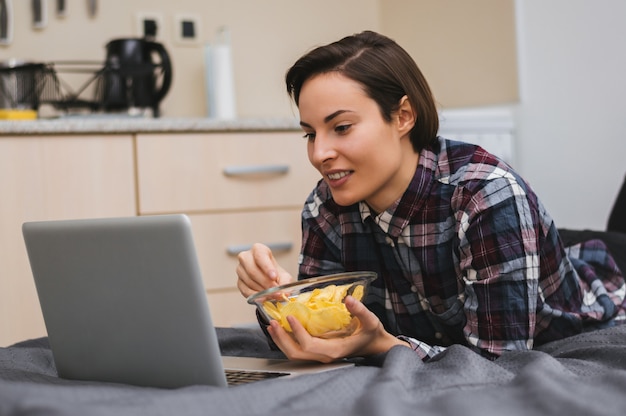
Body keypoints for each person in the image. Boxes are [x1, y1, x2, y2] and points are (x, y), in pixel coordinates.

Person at [236, 30, 626, 362]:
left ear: (403, 116)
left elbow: (500, 361)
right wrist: (280, 299)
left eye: (341, 127)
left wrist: (385, 345)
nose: (319, 154)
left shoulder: (486, 195)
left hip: (580, 317)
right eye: (310, 134)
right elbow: (327, 337)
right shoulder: (326, 207)